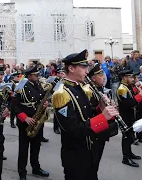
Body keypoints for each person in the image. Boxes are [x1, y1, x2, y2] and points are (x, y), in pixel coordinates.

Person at [52, 50, 119, 180]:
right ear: (71, 68)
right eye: (83, 67)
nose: (87, 72)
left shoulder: (81, 88)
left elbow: (88, 115)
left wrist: (102, 108)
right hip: (75, 156)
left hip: (89, 149)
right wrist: (102, 117)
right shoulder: (61, 94)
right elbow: (73, 129)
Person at [14, 65, 50, 180]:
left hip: (37, 120)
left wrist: (45, 104)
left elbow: (41, 98)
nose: (38, 76)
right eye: (36, 75)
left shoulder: (38, 84)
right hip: (26, 122)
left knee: (36, 147)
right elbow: (14, 105)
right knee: (23, 149)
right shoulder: (20, 86)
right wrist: (25, 118)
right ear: (29, 76)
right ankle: (22, 172)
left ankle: (36, 167)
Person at [87, 63, 118, 179]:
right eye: (100, 75)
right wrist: (102, 108)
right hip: (94, 131)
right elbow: (88, 112)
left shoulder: (100, 89)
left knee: (96, 160)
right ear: (93, 78)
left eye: (103, 74)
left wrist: (111, 106)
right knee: (92, 161)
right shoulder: (89, 90)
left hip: (102, 130)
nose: (103, 77)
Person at [117, 69, 142, 168]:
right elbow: (129, 103)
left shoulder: (127, 87)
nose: (132, 79)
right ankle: (125, 157)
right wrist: (139, 97)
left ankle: (129, 153)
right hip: (125, 116)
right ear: (124, 78)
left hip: (130, 115)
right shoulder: (122, 89)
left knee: (129, 135)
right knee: (126, 137)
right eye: (130, 77)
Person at [53, 67, 65, 134]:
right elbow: (54, 90)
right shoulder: (56, 80)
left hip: (63, 98)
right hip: (57, 98)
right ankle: (56, 128)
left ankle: (61, 126)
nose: (62, 74)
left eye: (63, 73)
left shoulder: (63, 80)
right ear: (58, 74)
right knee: (56, 113)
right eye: (61, 73)